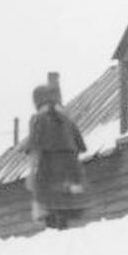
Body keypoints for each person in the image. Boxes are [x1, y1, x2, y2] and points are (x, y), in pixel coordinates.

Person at [22, 81, 88, 230]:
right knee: (63, 209)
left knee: (48, 208)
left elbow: (35, 150)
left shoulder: (38, 120)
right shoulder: (68, 121)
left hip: (49, 170)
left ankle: (52, 232)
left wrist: (32, 174)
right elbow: (80, 147)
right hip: (72, 171)